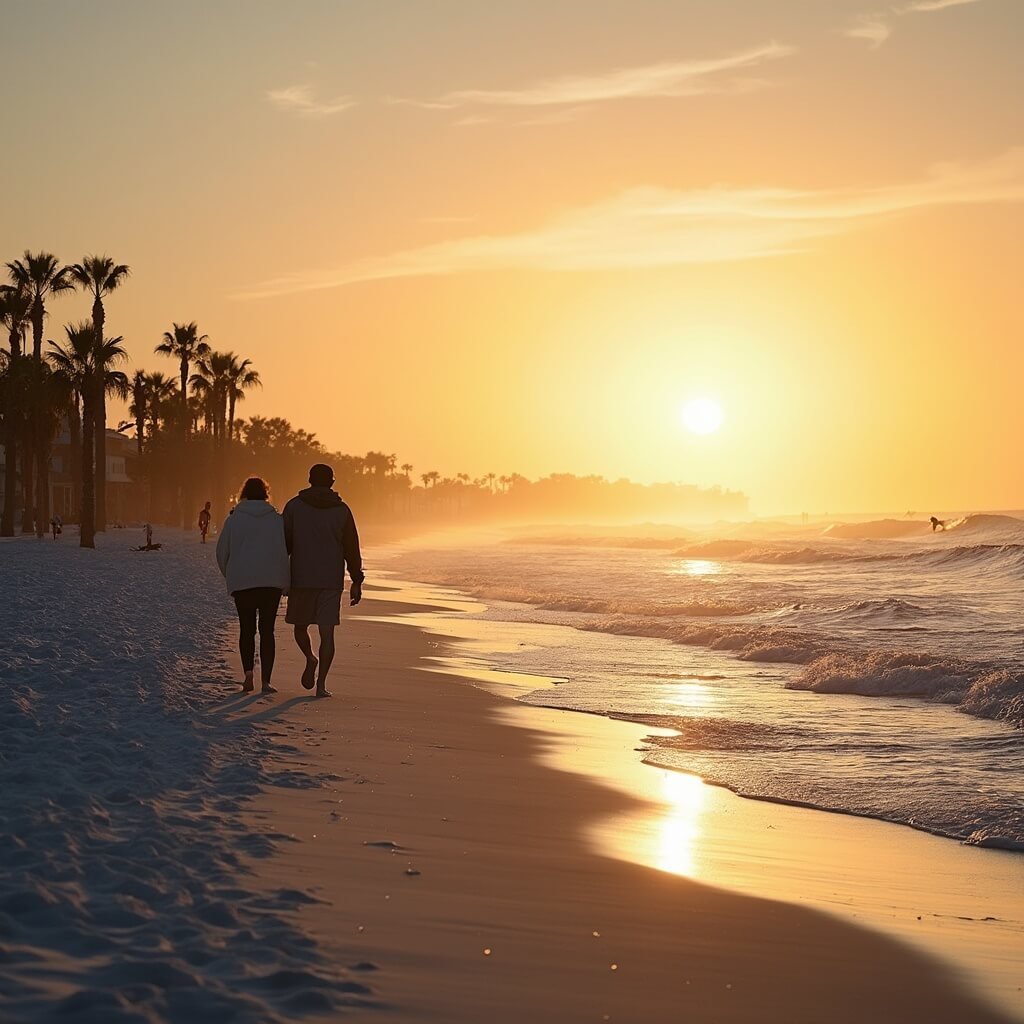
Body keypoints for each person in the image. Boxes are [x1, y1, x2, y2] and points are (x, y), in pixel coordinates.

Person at [283, 463, 363, 698]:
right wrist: (356, 580)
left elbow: (283, 545)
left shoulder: (294, 507)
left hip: (301, 577)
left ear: (309, 480)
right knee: (327, 634)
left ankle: (309, 657)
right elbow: (351, 548)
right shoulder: (342, 510)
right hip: (330, 580)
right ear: (332, 482)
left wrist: (278, 575)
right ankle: (321, 685)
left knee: (300, 627)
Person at [216, 477, 290, 694]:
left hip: (243, 583)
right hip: (271, 583)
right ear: (266, 494)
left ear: (244, 493)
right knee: (267, 631)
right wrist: (285, 581)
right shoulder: (277, 520)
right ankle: (266, 681)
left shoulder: (234, 520)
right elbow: (284, 552)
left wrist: (232, 575)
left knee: (246, 630)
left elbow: (222, 553)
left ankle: (248, 673)